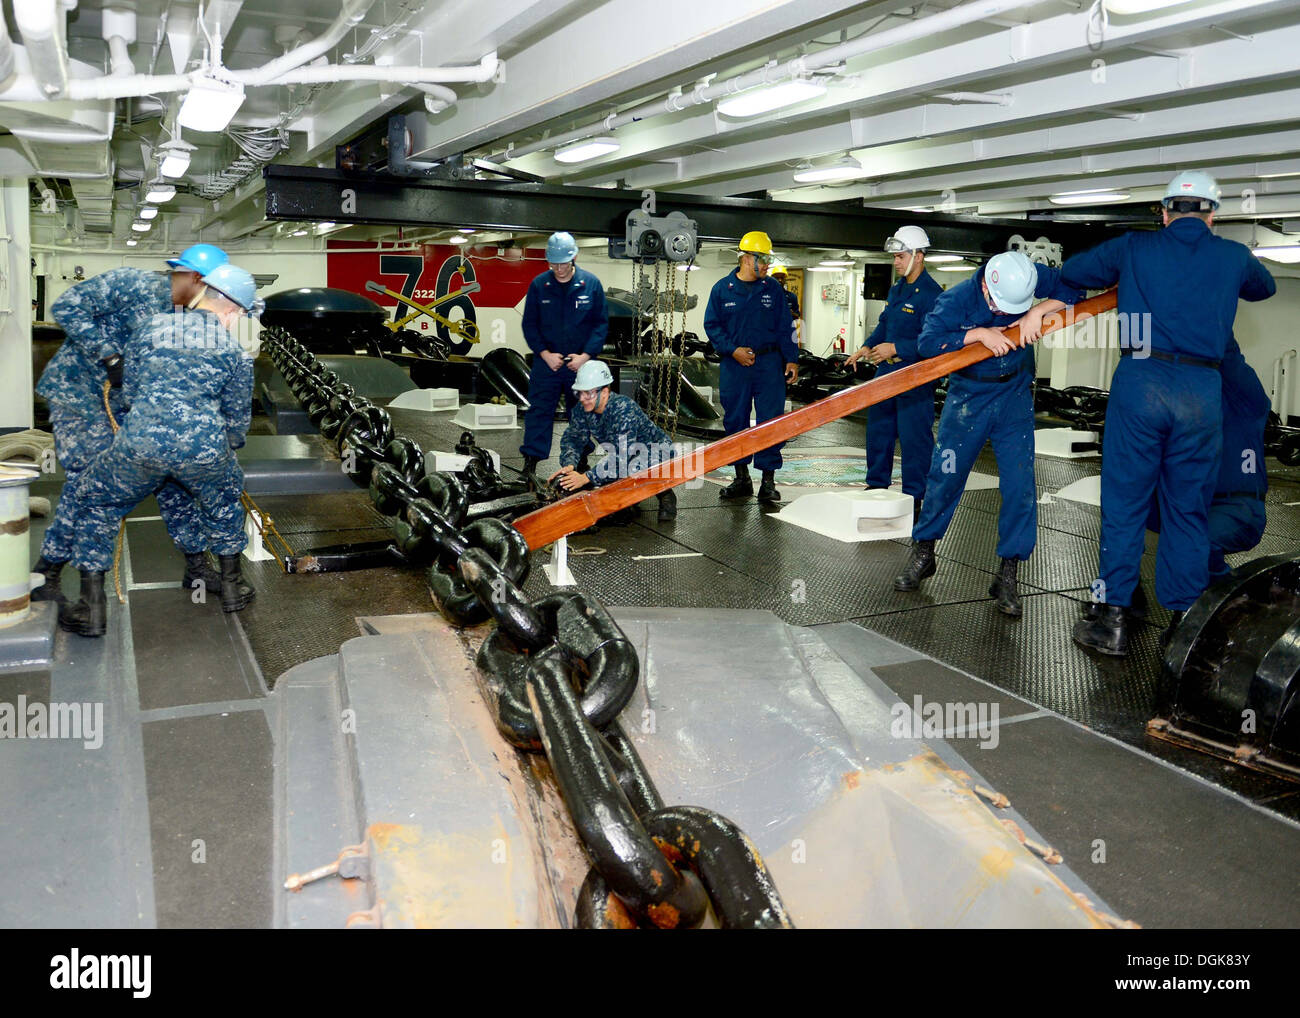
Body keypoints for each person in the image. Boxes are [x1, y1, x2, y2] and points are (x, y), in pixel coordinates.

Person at [1065, 171, 1276, 657]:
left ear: (1163, 212)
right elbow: (1263, 289)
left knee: (1125, 505)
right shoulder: (1232, 255)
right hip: (1201, 390)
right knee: (1187, 511)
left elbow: (1076, 272)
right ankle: (1182, 626)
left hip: (1142, 380)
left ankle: (1113, 619)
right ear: (1212, 215)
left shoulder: (1134, 247)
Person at [59, 265, 260, 637]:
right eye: (243, 316)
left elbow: (130, 392)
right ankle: (232, 587)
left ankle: (92, 609)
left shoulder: (151, 327)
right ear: (233, 310)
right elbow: (237, 417)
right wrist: (226, 451)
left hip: (141, 444)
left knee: (96, 502)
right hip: (203, 446)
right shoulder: (236, 349)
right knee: (224, 500)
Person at [32, 244, 232, 604]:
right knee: (89, 483)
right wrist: (108, 354)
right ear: (198, 279)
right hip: (80, 394)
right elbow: (66, 307)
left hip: (130, 404)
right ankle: (47, 573)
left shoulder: (180, 316)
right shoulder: (131, 283)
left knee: (172, 476)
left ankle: (197, 566)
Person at [893, 250, 1083, 616]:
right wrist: (976, 334)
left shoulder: (1027, 274)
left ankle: (1008, 572)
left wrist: (1037, 311)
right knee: (945, 476)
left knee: (1020, 485)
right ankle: (924, 551)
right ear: (987, 285)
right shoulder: (957, 299)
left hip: (1014, 394)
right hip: (969, 397)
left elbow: (1076, 291)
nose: (1009, 312)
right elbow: (927, 343)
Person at [1135, 337, 1269, 643]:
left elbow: (1229, 354)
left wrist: (1208, 309)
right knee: (1124, 508)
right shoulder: (1190, 405)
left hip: (1238, 509)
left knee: (1194, 541)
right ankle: (1127, 594)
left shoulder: (1249, 402)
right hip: (1193, 500)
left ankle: (1221, 601)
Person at [846, 226, 943, 518]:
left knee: (914, 439)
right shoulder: (897, 289)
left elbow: (933, 343)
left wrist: (896, 349)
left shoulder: (932, 295)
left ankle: (914, 497)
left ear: (919, 255)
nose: (896, 262)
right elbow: (886, 324)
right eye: (895, 257)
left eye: (901, 257)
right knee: (878, 432)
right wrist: (866, 346)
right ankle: (877, 487)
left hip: (914, 378)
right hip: (886, 376)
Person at [703, 230, 800, 503]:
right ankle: (741, 477)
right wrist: (732, 350)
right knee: (736, 420)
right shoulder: (722, 289)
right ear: (747, 259)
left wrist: (791, 358)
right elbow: (712, 325)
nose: (767, 265)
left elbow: (786, 327)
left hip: (769, 364)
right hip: (735, 365)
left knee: (771, 421)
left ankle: (768, 482)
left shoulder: (773, 290)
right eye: (763, 259)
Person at [519, 231, 608, 474]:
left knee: (581, 411)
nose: (558, 268)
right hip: (547, 363)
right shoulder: (539, 285)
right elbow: (530, 324)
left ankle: (580, 458)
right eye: (553, 263)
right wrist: (545, 353)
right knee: (539, 410)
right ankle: (531, 461)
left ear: (574, 257)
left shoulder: (591, 285)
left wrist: (586, 356)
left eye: (563, 263)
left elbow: (600, 324)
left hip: (581, 364)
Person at [548, 360, 679, 522]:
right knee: (615, 489)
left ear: (604, 392)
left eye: (588, 393)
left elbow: (622, 456)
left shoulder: (624, 409)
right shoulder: (583, 410)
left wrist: (586, 477)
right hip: (626, 457)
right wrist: (569, 464)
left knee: (629, 474)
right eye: (580, 393)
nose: (582, 398)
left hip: (656, 452)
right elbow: (573, 439)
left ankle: (665, 493)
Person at [769, 263, 803, 347]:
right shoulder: (765, 296)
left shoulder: (792, 296)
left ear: (785, 280)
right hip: (770, 334)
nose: (779, 280)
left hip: (787, 333)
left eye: (782, 278)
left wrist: (789, 313)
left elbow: (797, 315)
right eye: (777, 278)